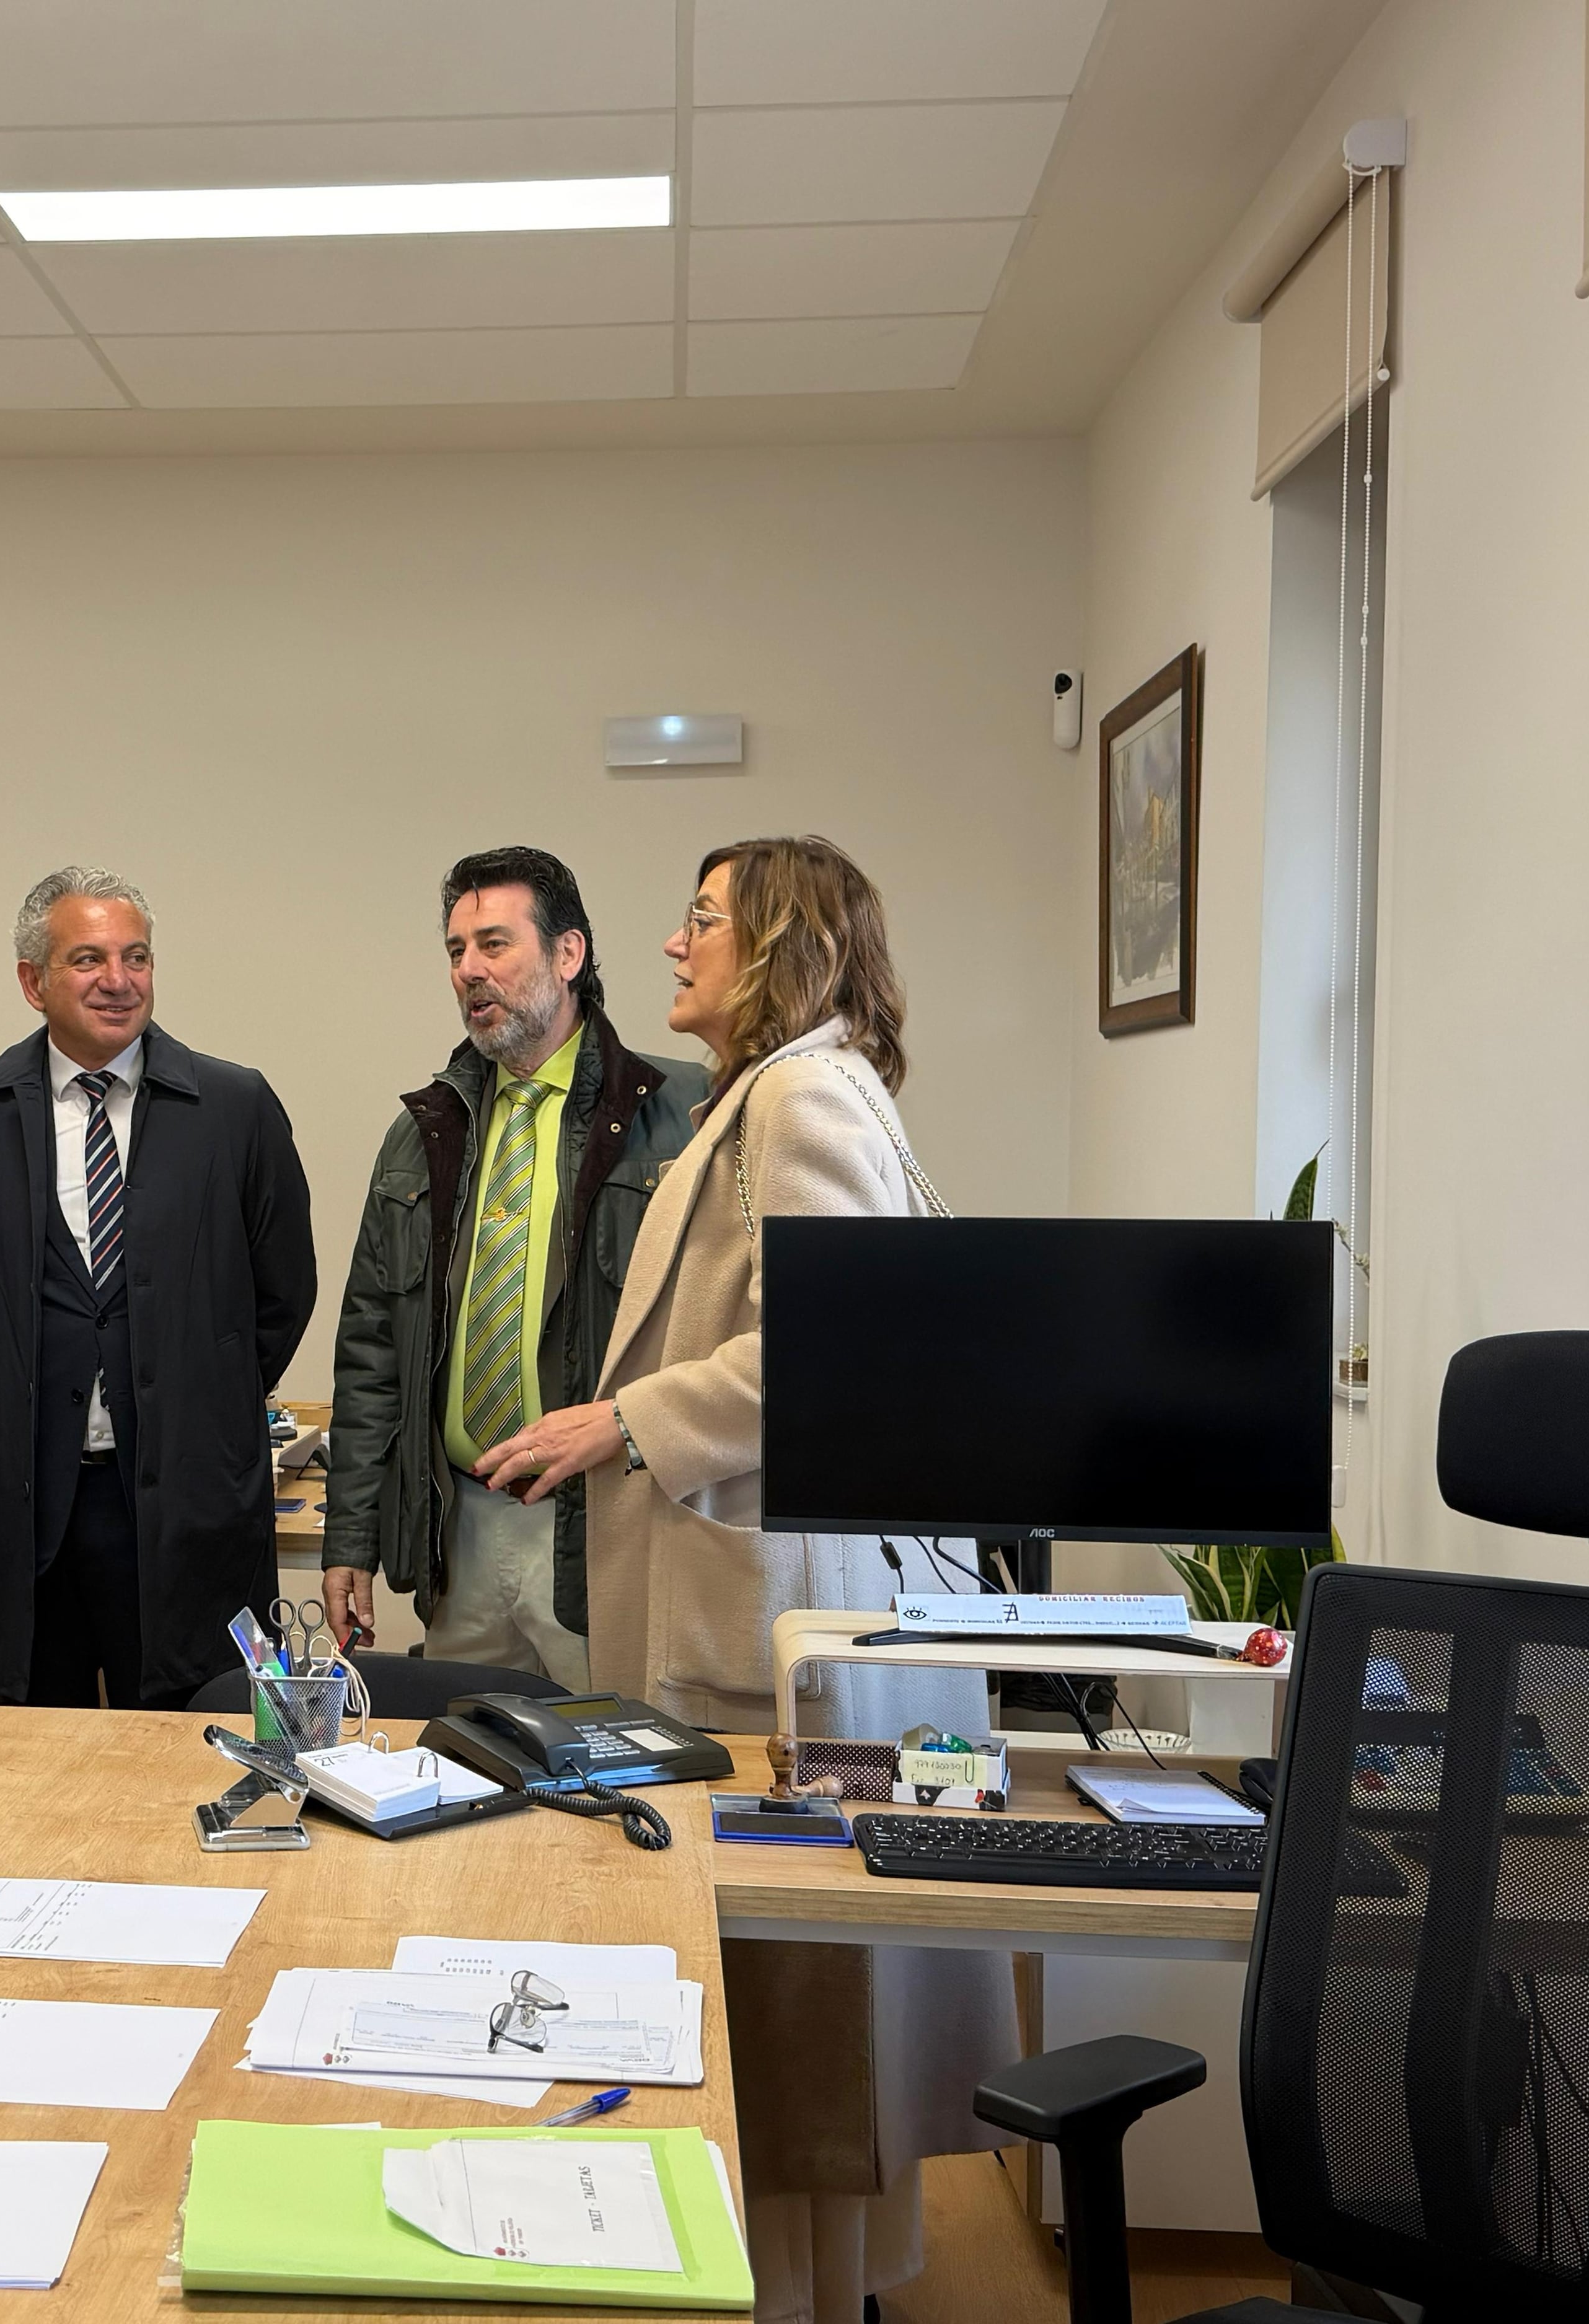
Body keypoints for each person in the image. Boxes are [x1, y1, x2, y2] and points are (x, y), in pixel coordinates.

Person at [470, 834, 1015, 2324]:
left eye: (702, 918)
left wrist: (624, 1418)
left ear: (777, 942)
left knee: (783, 1989)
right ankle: (807, 2282)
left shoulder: (799, 1096)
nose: (672, 943)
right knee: (770, 1993)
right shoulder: (776, 1090)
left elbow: (831, 1353)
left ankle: (792, 2293)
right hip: (757, 1578)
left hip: (769, 1601)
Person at [0, 866, 315, 1710]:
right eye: (88, 959)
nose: (118, 980)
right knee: (32, 1744)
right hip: (25, 1497)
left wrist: (195, 1393)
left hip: (182, 1493)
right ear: (33, 982)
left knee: (185, 1732)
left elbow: (282, 1294)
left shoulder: (234, 1107)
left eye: (137, 957)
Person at [320, 847, 705, 1684]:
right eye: (456, 950)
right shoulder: (424, 1133)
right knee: (463, 1754)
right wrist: (350, 1539)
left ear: (568, 954)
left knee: (610, 1753)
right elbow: (371, 1351)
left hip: (603, 1528)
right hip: (458, 1529)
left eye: (494, 944)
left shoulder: (679, 1115)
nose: (469, 970)